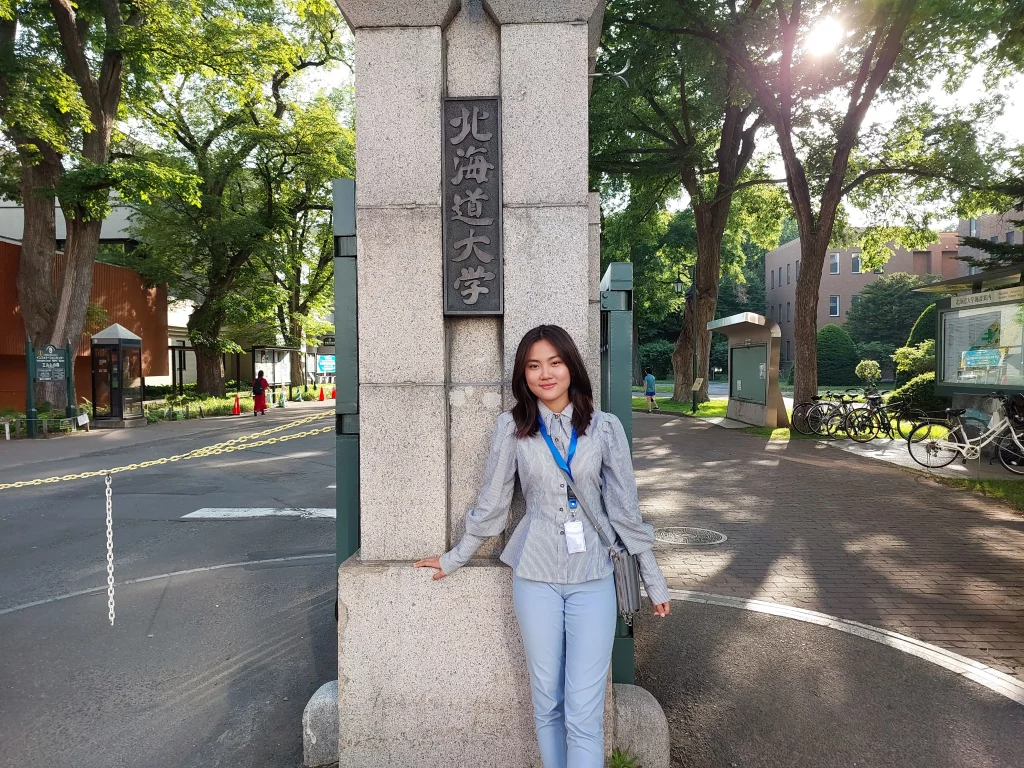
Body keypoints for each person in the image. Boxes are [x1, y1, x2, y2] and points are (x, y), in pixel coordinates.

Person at [415, 324, 670, 768]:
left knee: (583, 712)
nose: (545, 373)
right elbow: (493, 507)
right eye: (533, 365)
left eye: (554, 362)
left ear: (571, 366)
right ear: (522, 374)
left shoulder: (605, 429)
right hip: (534, 576)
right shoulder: (512, 429)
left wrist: (654, 579)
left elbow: (625, 511)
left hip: (594, 576)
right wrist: (455, 557)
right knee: (547, 702)